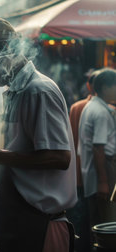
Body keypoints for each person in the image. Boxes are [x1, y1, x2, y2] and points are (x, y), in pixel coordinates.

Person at [0, 18, 77, 252]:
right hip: (16, 222)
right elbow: (17, 150)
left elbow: (59, 157)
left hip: (38, 228)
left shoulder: (38, 91)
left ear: (6, 53)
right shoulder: (16, 92)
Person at [78, 68, 116, 231]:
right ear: (106, 88)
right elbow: (98, 148)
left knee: (98, 222)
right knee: (106, 224)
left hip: (93, 174)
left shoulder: (92, 106)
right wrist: (103, 182)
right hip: (103, 172)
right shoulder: (100, 112)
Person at [67, 69, 100, 252]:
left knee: (79, 220)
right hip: (95, 173)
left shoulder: (76, 107)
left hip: (76, 172)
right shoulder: (106, 109)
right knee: (94, 219)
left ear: (88, 86)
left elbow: (71, 139)